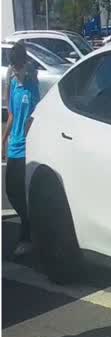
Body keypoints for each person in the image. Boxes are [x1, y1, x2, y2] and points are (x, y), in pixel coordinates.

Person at [2, 42, 40, 256]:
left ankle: (27, 233)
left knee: (20, 190)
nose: (17, 71)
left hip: (27, 146)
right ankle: (29, 223)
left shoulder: (32, 84)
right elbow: (11, 115)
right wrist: (3, 140)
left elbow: (34, 115)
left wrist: (30, 136)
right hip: (14, 145)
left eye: (19, 66)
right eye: (14, 67)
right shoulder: (13, 83)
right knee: (10, 191)